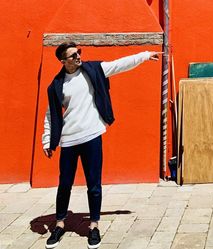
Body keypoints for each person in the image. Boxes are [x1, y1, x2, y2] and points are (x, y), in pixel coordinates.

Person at [42, 42, 161, 249]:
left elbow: (119, 65)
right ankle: (59, 224)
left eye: (79, 53)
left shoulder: (93, 70)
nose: (78, 57)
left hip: (92, 135)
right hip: (69, 139)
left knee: (94, 184)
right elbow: (50, 114)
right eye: (73, 55)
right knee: (64, 185)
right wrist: (47, 139)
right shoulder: (57, 84)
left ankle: (94, 225)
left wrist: (144, 55)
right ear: (63, 61)